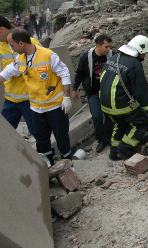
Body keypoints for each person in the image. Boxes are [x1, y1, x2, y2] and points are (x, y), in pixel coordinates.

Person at [0, 29, 72, 166]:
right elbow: (6, 73)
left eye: (12, 45)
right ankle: (49, 168)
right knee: (41, 141)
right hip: (36, 109)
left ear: (21, 44)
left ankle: (68, 166)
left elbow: (64, 73)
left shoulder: (48, 55)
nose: (11, 48)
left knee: (62, 138)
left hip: (55, 107)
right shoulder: (20, 59)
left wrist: (66, 97)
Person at [99, 35, 148, 160]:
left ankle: (114, 153)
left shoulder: (113, 58)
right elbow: (142, 91)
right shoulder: (134, 64)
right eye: (144, 53)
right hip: (121, 107)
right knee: (142, 124)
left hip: (105, 106)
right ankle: (125, 150)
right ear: (139, 50)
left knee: (120, 124)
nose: (145, 57)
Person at [0, 16, 42, 137]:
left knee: (37, 132)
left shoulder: (31, 42)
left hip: (29, 98)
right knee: (4, 132)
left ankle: (45, 154)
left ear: (1, 30)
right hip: (11, 98)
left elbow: (42, 62)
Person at [72, 34, 113, 153]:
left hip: (107, 92)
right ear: (98, 45)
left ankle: (110, 138)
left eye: (109, 46)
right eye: (106, 47)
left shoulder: (111, 55)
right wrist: (75, 89)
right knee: (97, 117)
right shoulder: (87, 57)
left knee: (110, 117)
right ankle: (101, 140)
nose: (108, 49)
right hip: (93, 93)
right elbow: (79, 73)